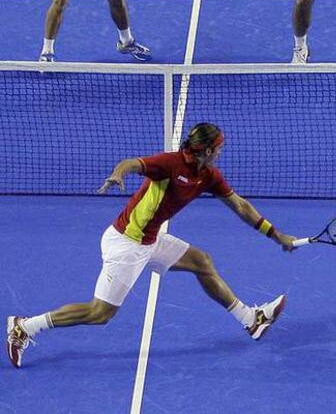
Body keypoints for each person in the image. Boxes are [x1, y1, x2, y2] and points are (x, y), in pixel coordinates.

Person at [7, 123, 297, 368]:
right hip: (127, 244)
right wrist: (118, 173)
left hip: (151, 239)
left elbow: (239, 205)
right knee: (99, 313)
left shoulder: (209, 176)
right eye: (219, 148)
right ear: (207, 150)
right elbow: (134, 163)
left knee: (202, 262)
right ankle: (24, 326)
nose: (221, 153)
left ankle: (250, 319)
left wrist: (275, 234)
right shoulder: (170, 163)